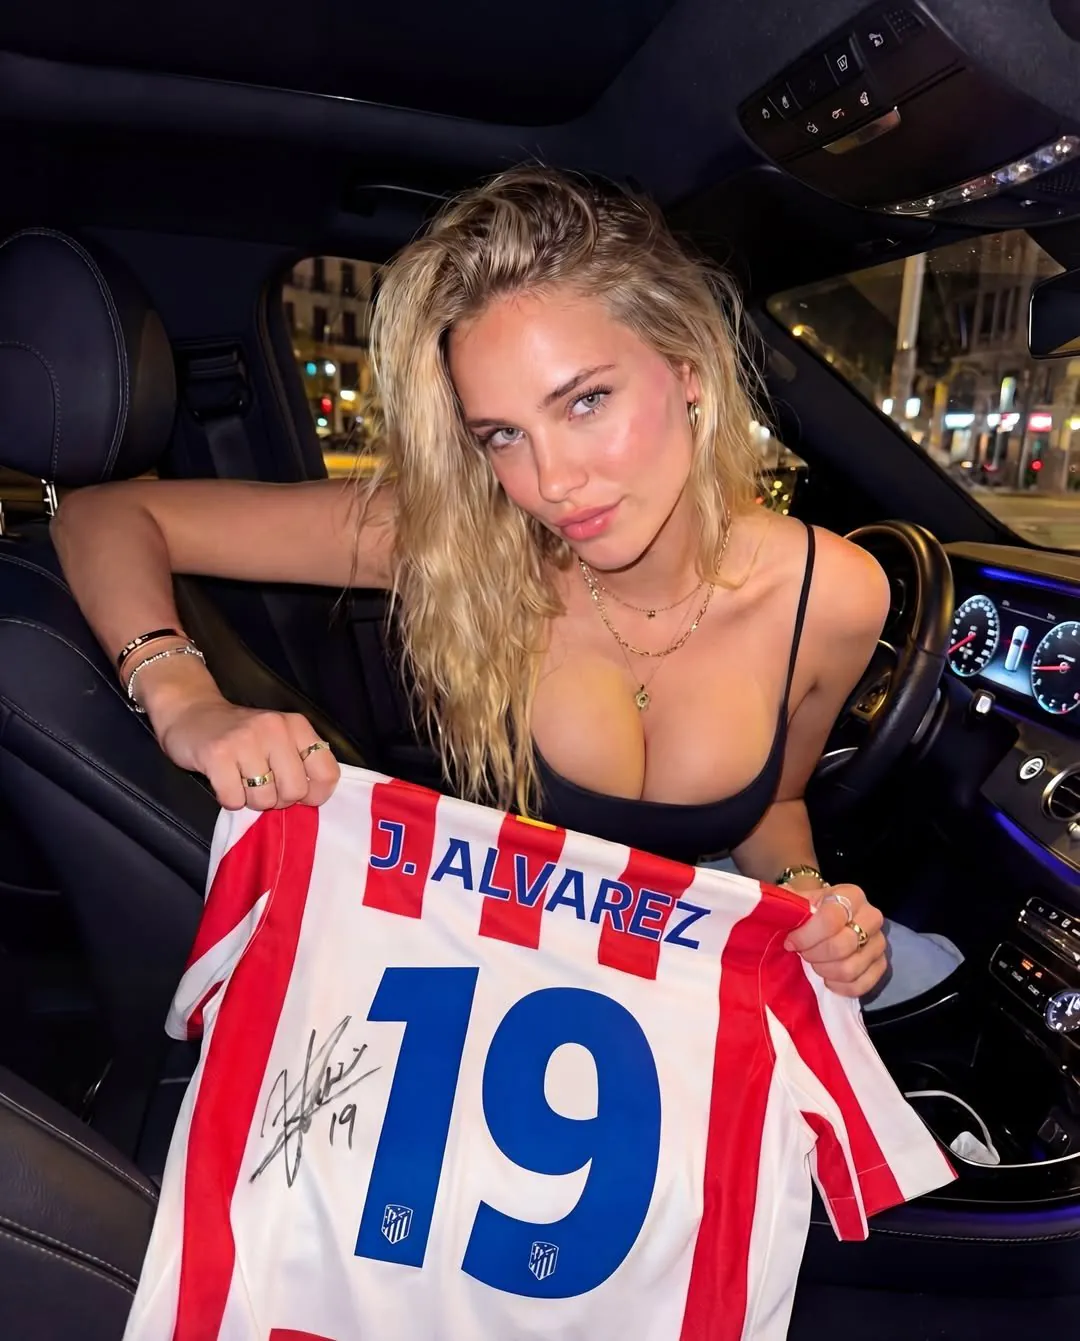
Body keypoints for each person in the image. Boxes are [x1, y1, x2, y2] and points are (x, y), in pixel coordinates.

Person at [51, 165, 961, 1008]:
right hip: (526, 965)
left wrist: (808, 896)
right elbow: (103, 518)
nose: (552, 483)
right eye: (502, 435)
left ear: (687, 369)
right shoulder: (461, 541)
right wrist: (183, 696)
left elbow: (777, 805)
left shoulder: (835, 594)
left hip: (699, 955)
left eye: (586, 401)